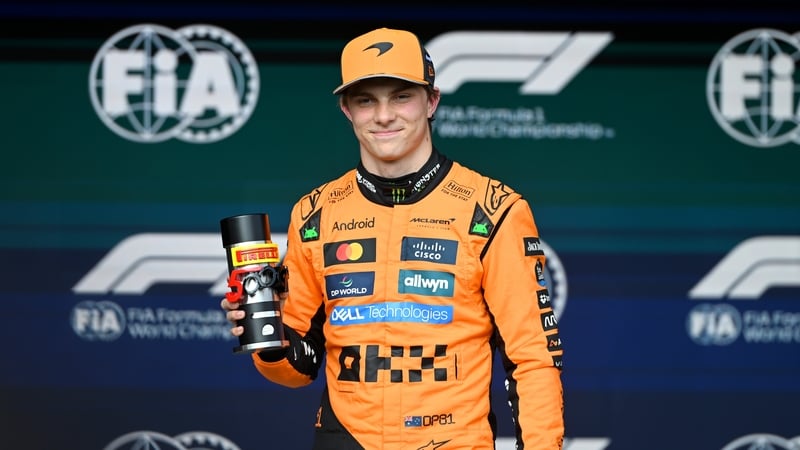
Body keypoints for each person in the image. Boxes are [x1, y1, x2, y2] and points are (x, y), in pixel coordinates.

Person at [221, 27, 564, 449]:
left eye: (401, 97)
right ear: (347, 109)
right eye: (366, 100)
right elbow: (299, 368)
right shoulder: (314, 214)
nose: (383, 116)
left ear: (431, 101)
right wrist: (269, 340)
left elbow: (533, 358)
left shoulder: (494, 210)